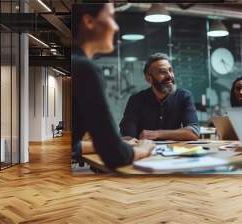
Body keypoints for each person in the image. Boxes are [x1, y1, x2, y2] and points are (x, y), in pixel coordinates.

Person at [71, 3, 155, 170]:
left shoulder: (74, 63)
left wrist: (117, 144)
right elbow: (114, 156)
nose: (116, 27)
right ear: (89, 21)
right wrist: (143, 149)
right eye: (111, 17)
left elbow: (73, 145)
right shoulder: (85, 68)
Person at [119, 53, 199, 141]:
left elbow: (193, 132)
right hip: (145, 152)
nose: (169, 76)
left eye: (170, 70)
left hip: (175, 152)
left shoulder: (184, 96)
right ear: (149, 79)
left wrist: (157, 134)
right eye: (162, 72)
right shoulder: (136, 100)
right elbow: (128, 136)